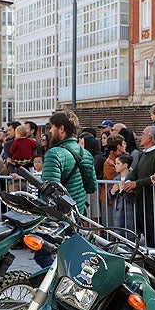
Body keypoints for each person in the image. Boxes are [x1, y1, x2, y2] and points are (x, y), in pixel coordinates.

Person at [38, 110, 96, 266]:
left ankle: (54, 285)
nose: (50, 131)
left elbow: (50, 191)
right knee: (72, 257)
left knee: (41, 252)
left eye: (52, 127)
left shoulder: (54, 153)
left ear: (61, 129)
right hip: (77, 215)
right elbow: (91, 186)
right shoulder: (86, 154)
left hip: (56, 217)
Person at [123, 126, 155, 248]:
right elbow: (135, 171)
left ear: (150, 137)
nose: (139, 137)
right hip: (142, 200)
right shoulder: (143, 154)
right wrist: (128, 181)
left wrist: (136, 184)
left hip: (154, 202)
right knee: (146, 232)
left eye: (142, 134)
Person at [109, 153, 136, 235]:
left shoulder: (133, 178)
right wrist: (112, 191)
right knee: (119, 234)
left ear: (125, 165)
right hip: (118, 211)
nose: (115, 165)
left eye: (118, 163)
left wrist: (122, 190)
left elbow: (132, 196)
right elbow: (110, 195)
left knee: (130, 235)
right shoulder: (116, 179)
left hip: (130, 212)